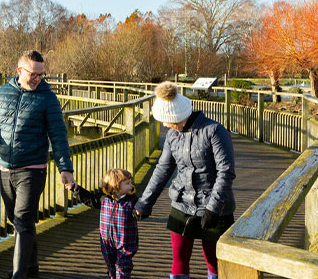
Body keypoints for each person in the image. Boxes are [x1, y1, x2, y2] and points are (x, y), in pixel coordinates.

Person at [0, 50, 77, 279]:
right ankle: (31, 267)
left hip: (33, 168)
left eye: (41, 74)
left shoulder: (48, 98)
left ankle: (18, 274)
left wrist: (65, 168)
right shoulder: (2, 92)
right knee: (16, 220)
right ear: (19, 71)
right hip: (5, 168)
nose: (38, 78)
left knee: (23, 219)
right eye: (33, 74)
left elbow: (58, 135)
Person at [133, 82, 235, 279]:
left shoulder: (214, 131)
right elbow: (162, 169)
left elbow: (226, 171)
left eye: (166, 121)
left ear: (177, 117)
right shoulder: (173, 135)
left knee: (214, 260)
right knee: (179, 258)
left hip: (215, 207)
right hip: (181, 203)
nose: (164, 125)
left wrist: (213, 208)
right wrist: (144, 203)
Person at [73, 168, 139, 279]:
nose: (131, 185)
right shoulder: (104, 199)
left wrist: (141, 211)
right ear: (116, 185)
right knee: (111, 266)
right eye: (127, 183)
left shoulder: (132, 201)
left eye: (130, 182)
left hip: (125, 242)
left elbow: (142, 211)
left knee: (123, 267)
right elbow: (90, 199)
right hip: (107, 242)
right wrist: (75, 189)